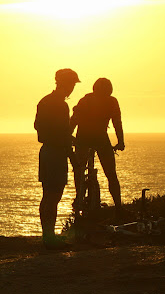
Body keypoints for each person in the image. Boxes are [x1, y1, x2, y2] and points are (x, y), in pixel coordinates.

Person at [34, 68, 80, 248]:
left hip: (46, 151)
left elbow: (39, 127)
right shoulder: (60, 105)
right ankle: (49, 238)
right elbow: (62, 134)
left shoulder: (44, 101)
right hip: (56, 153)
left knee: (47, 196)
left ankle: (47, 235)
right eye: (72, 84)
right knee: (54, 196)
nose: (72, 88)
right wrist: (74, 159)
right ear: (65, 83)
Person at [71, 77, 125, 219]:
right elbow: (117, 122)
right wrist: (120, 142)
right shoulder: (111, 101)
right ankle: (118, 207)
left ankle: (80, 197)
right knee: (111, 174)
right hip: (97, 138)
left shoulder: (87, 100)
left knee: (80, 169)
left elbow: (74, 119)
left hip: (85, 138)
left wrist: (68, 136)